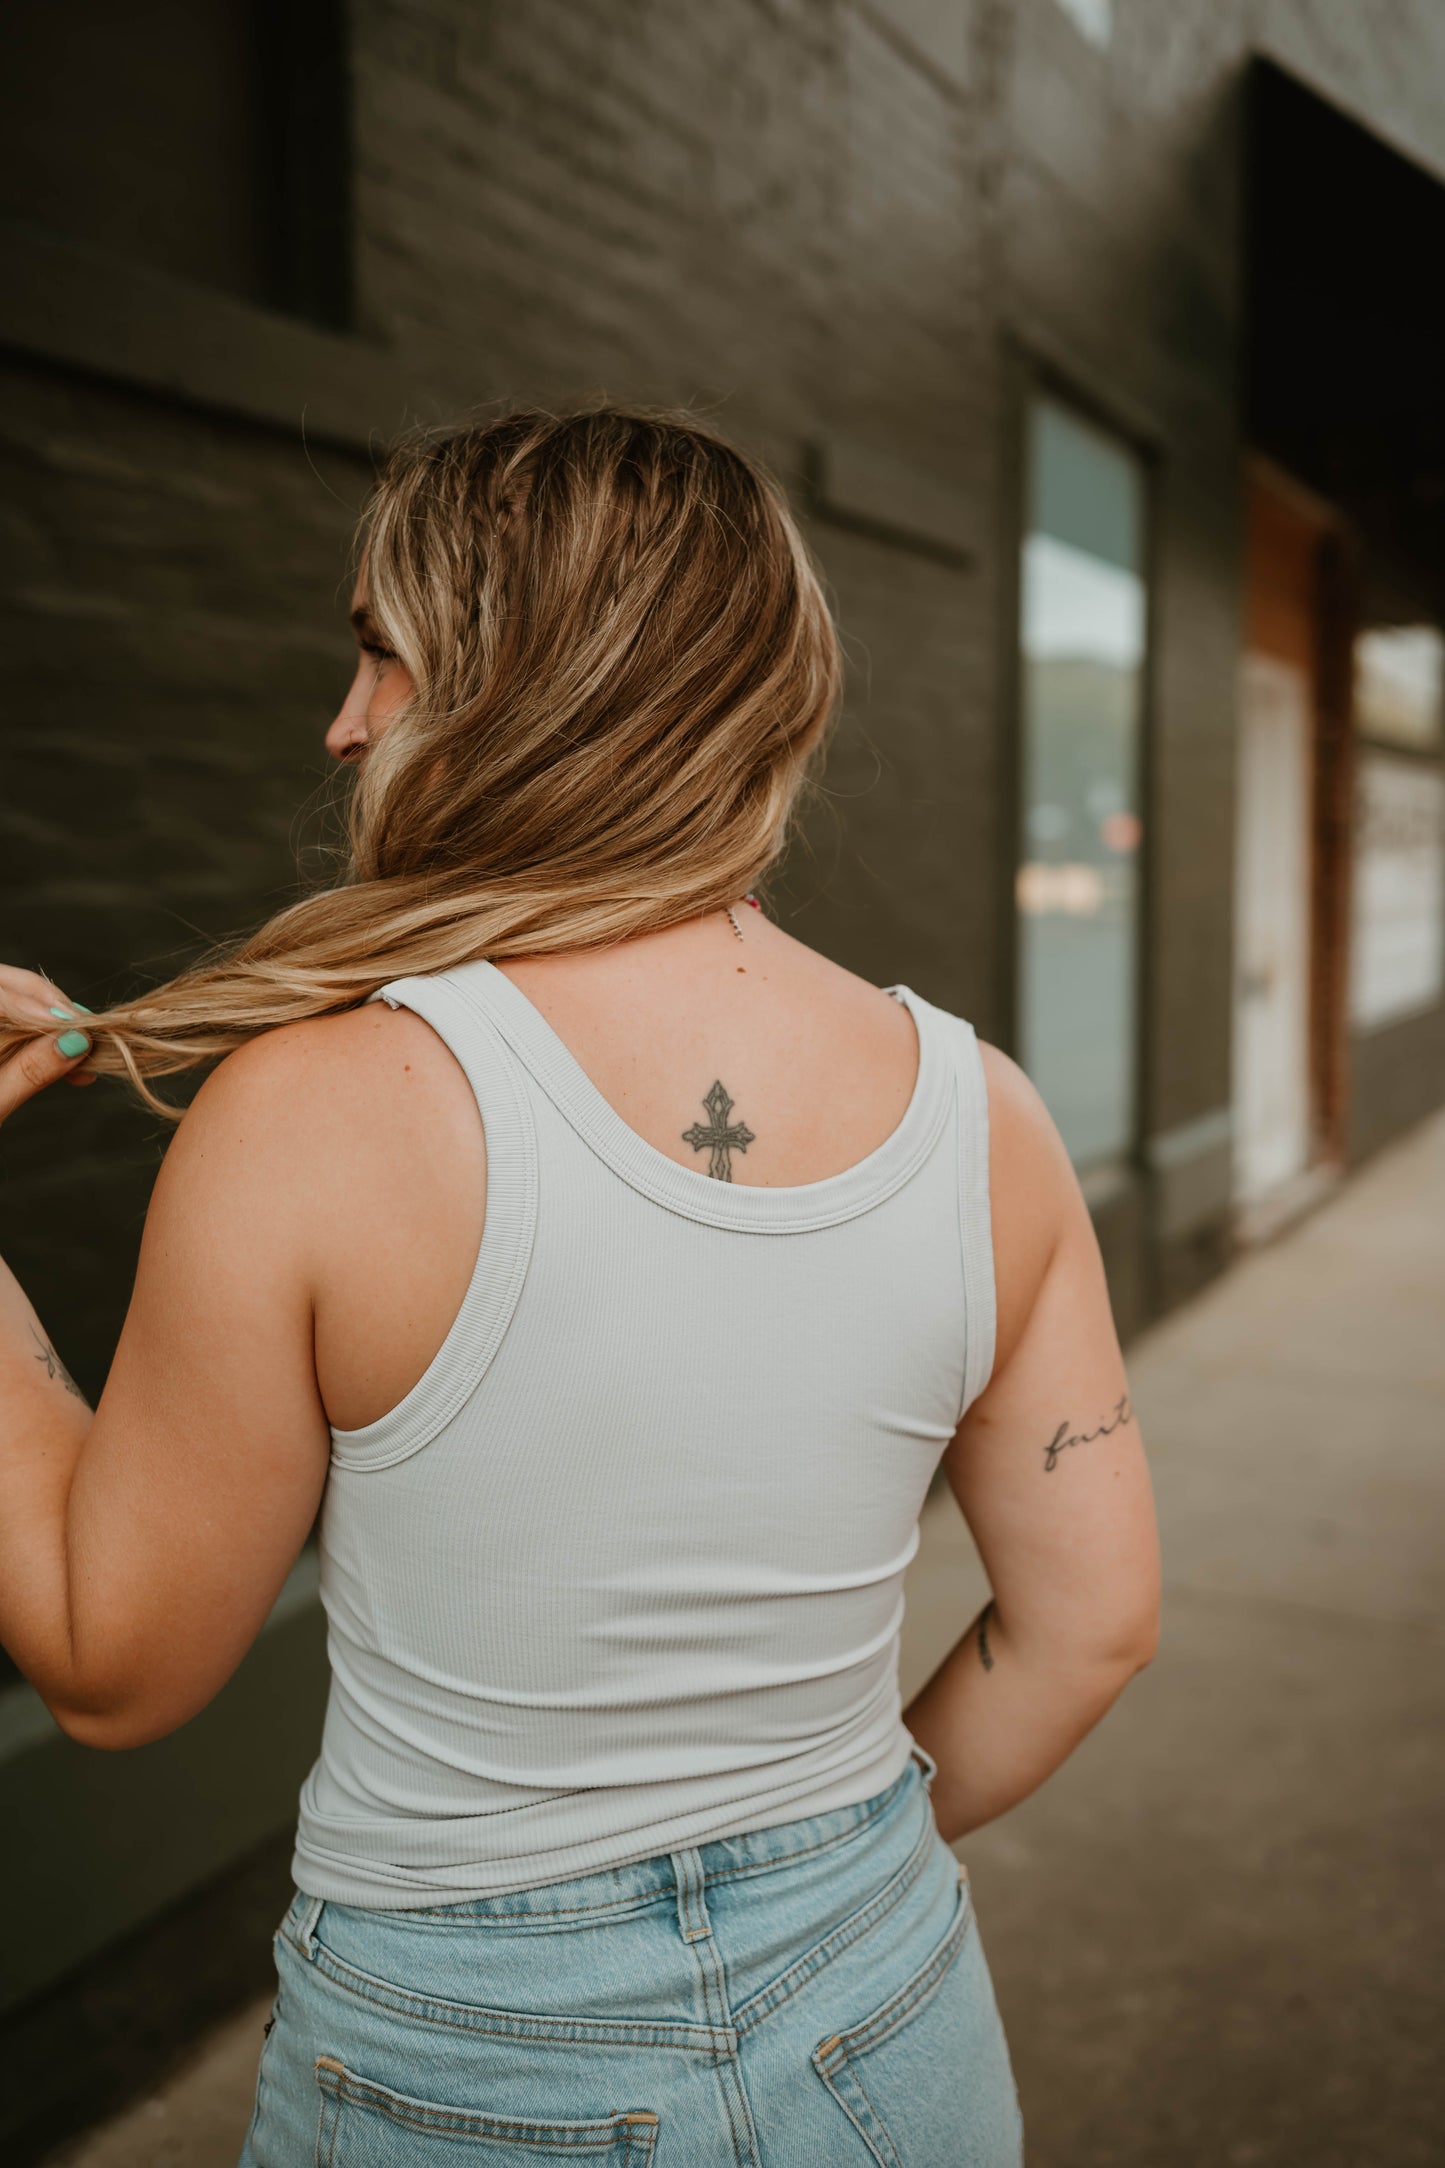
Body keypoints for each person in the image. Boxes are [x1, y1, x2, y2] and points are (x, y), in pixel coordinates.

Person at [0, 406, 1159, 2164]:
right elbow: (1089, 1630)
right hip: (888, 2009)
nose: (342, 724)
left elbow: (107, 1665)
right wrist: (826, 1876)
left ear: (521, 685)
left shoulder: (319, 1116)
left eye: (381, 659)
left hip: (466, 2064)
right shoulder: (980, 1114)